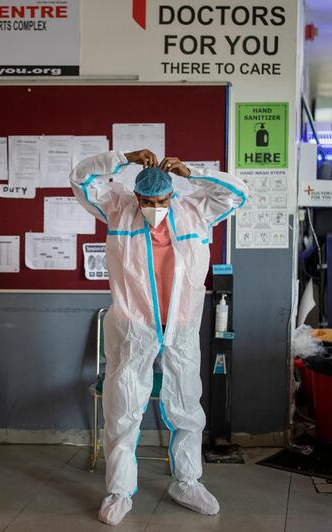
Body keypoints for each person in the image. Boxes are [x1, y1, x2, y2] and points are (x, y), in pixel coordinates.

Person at [69, 149, 248, 525]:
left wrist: (193, 171)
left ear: (172, 195)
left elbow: (237, 193)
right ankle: (118, 491)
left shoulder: (196, 211)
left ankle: (187, 482)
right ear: (136, 197)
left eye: (162, 200)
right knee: (122, 409)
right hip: (133, 328)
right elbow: (81, 178)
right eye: (147, 201)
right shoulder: (117, 209)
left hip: (180, 328)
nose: (154, 207)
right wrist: (122, 158)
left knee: (187, 407)